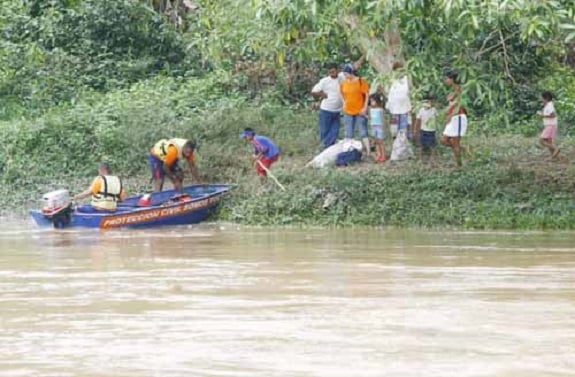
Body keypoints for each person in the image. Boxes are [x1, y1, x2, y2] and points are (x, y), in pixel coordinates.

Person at [311, 62, 344, 149]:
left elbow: (354, 66)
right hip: (326, 110)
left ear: (338, 70)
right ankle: (324, 148)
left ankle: (329, 147)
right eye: (330, 72)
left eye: (333, 71)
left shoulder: (342, 77)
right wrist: (321, 95)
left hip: (337, 110)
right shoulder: (325, 81)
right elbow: (314, 91)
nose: (332, 74)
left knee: (335, 131)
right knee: (325, 131)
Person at [340, 63, 370, 156]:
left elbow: (366, 94)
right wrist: (343, 103)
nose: (345, 76)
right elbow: (341, 93)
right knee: (348, 132)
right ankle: (348, 152)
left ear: (350, 72)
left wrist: (365, 107)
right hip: (348, 111)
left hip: (359, 110)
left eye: (346, 74)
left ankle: (368, 152)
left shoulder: (361, 81)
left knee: (363, 131)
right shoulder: (344, 83)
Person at [440, 71, 468, 167]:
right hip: (453, 118)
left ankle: (459, 165)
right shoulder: (453, 90)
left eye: (446, 79)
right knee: (444, 140)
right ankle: (464, 149)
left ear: (452, 79)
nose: (445, 81)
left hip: (458, 117)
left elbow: (459, 106)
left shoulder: (459, 90)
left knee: (455, 142)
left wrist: (450, 117)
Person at [386, 61, 412, 140]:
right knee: (394, 130)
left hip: (404, 108)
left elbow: (410, 91)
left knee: (403, 129)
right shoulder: (392, 80)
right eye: (397, 70)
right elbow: (389, 93)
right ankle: (396, 145)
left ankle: (403, 144)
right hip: (394, 109)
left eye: (401, 70)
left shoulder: (406, 79)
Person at [415, 94, 439, 164]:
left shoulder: (434, 110)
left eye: (432, 102)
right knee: (421, 145)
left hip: (432, 131)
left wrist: (437, 130)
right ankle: (420, 159)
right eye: (428, 102)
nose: (430, 103)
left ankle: (432, 159)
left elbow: (436, 119)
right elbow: (417, 120)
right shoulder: (421, 110)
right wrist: (416, 130)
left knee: (432, 146)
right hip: (423, 130)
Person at [538, 91, 560, 159]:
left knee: (541, 140)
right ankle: (553, 156)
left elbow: (553, 115)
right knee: (548, 141)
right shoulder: (548, 105)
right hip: (550, 125)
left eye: (542, 98)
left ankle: (556, 149)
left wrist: (543, 116)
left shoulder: (549, 105)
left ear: (546, 98)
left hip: (550, 125)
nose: (540, 99)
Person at [368, 93, 386, 163]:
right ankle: (378, 154)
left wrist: (383, 127)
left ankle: (383, 155)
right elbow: (370, 118)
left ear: (377, 101)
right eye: (371, 101)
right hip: (373, 127)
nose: (371, 102)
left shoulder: (380, 109)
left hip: (379, 127)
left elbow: (382, 119)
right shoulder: (371, 109)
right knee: (376, 142)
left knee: (380, 142)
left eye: (373, 101)